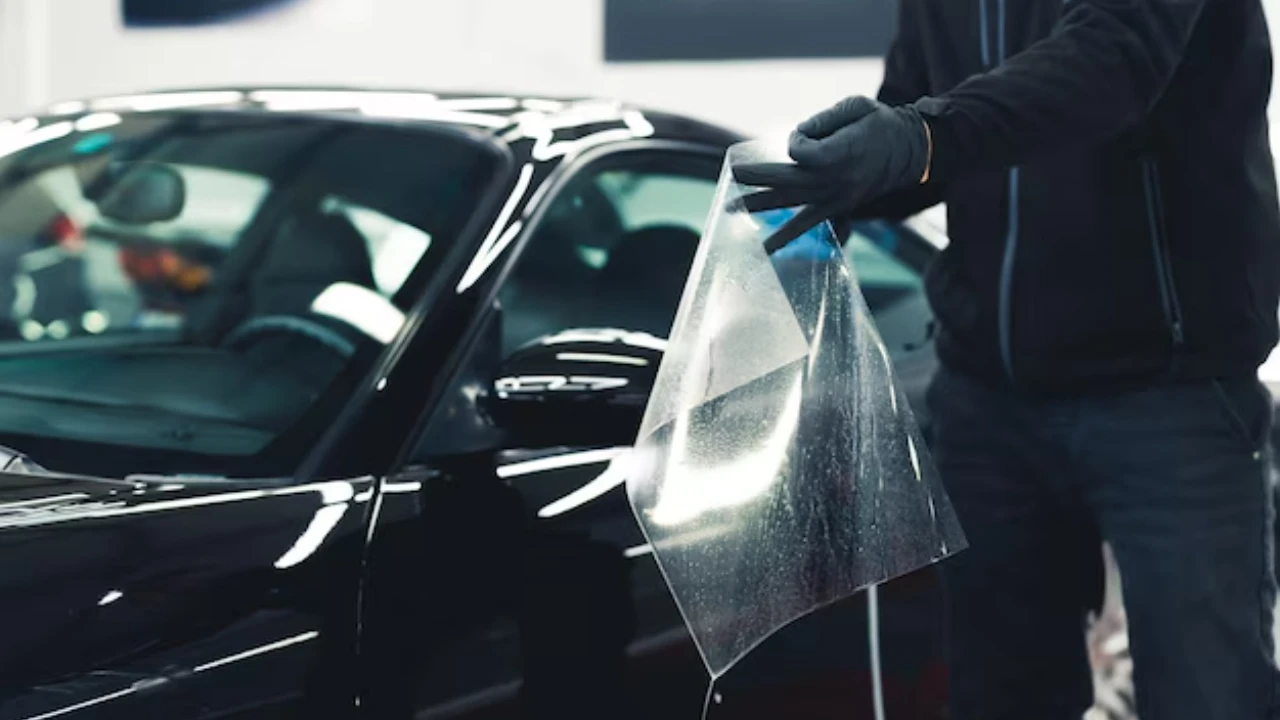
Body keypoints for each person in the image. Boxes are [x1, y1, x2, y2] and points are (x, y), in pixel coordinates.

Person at [735, 1, 1280, 718]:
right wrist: (855, 170)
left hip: (1168, 391)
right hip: (988, 396)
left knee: (1207, 693)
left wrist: (918, 136)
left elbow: (1110, 61)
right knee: (1000, 695)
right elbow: (927, 109)